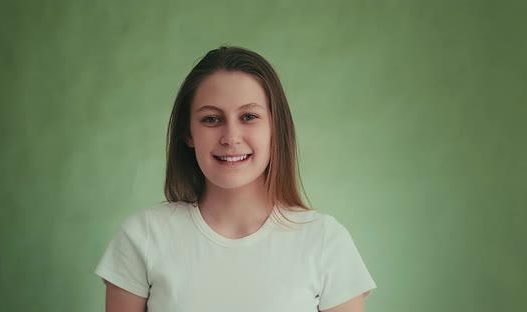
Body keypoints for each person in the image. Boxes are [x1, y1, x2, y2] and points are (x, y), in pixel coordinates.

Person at [94, 46, 377, 312]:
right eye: (211, 119)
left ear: (275, 129)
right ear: (188, 134)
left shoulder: (326, 240)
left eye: (249, 116)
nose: (230, 137)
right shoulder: (142, 236)